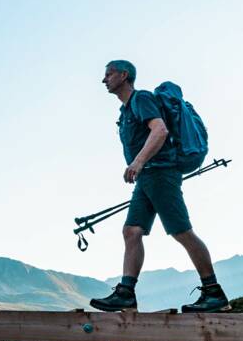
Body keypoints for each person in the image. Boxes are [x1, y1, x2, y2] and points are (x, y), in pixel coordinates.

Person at [89, 60, 229, 313]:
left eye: (109, 74)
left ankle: (214, 292)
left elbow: (160, 130)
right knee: (132, 231)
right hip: (147, 179)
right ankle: (126, 293)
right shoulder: (126, 110)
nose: (104, 79)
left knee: (181, 231)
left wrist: (138, 162)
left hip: (161, 174)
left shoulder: (141, 99)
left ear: (124, 75)